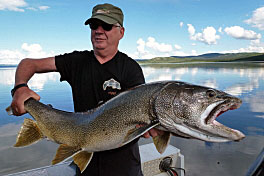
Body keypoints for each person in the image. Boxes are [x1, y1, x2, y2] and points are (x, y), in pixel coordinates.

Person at [10, 3, 161, 176]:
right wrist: (20, 87)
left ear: (121, 32)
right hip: (85, 164)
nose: (98, 30)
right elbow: (28, 64)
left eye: (106, 26)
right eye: (94, 25)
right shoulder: (76, 61)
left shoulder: (131, 69)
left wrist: (148, 128)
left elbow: (140, 119)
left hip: (124, 168)